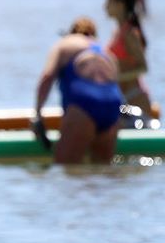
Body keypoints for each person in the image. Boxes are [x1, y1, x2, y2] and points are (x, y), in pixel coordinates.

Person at [33, 18, 125, 165]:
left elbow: (47, 77)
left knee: (67, 170)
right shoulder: (106, 52)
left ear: (71, 32)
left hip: (84, 104)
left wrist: (37, 116)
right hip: (112, 106)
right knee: (103, 174)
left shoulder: (64, 44)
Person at [104, 0, 152, 122]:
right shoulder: (117, 32)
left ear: (120, 4)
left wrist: (115, 77)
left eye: (109, 1)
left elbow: (143, 67)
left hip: (134, 98)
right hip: (121, 100)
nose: (105, 6)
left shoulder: (130, 33)